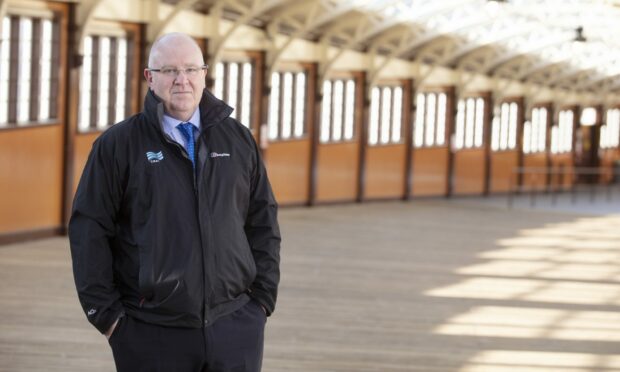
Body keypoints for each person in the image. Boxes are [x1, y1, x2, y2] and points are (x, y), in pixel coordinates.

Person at [69, 32, 281, 372]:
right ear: (150, 78)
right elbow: (89, 229)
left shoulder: (238, 139)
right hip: (149, 329)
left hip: (236, 324)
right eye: (169, 70)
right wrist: (108, 318)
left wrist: (262, 301)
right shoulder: (118, 145)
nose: (182, 80)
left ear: (204, 74)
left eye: (191, 69)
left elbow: (262, 220)